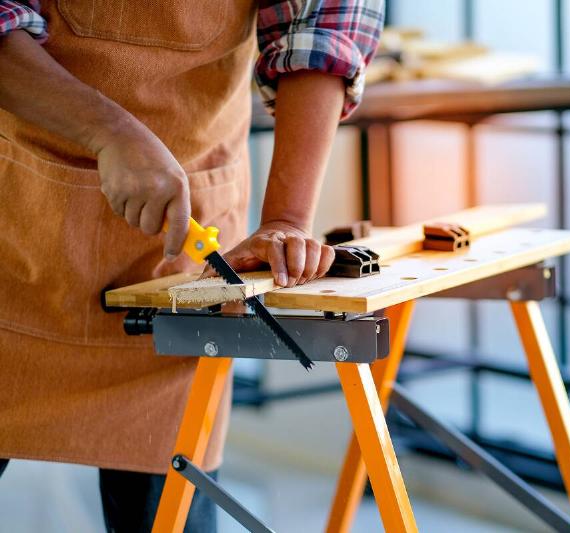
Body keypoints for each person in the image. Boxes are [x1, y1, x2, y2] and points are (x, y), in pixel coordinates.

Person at [0, 0, 383, 530]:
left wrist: (288, 219)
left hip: (184, 252)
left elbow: (323, 24)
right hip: (15, 221)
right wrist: (108, 131)